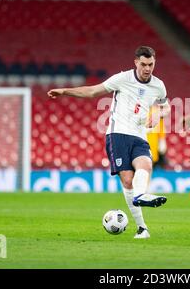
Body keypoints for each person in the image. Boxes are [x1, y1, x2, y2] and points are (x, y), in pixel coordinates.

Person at [48, 46, 170, 239]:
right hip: (118, 134)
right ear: (136, 62)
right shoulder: (122, 79)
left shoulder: (158, 85)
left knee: (146, 165)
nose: (148, 68)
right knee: (128, 181)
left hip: (140, 136)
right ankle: (142, 228)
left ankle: (141, 196)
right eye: (144, 64)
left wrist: (159, 116)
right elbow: (92, 92)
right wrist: (64, 91)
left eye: (151, 64)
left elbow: (166, 106)